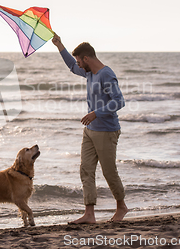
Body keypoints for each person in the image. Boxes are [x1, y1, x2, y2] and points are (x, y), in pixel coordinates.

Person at [52, 34, 128, 223]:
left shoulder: (106, 74)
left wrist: (96, 113)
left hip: (106, 130)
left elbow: (119, 102)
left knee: (109, 171)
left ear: (87, 58)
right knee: (86, 170)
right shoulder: (89, 72)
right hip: (90, 130)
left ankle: (121, 207)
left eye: (79, 60)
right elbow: (71, 66)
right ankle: (89, 214)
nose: (77, 64)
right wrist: (59, 45)